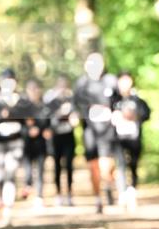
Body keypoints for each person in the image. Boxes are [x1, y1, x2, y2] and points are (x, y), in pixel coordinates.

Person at [74, 52, 123, 213]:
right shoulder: (82, 84)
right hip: (90, 130)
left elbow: (120, 101)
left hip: (107, 129)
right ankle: (98, 198)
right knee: (93, 165)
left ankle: (108, 184)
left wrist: (117, 112)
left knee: (106, 164)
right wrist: (76, 115)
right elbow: (76, 104)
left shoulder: (110, 81)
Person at [0, 68, 26, 225]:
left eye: (11, 80)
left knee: (11, 173)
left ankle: (8, 209)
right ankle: (0, 200)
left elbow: (28, 120)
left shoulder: (22, 100)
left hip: (16, 142)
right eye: (5, 80)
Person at [111, 71, 151, 211]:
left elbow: (147, 114)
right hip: (118, 139)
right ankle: (122, 194)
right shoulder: (114, 99)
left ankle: (132, 192)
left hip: (134, 138)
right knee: (120, 165)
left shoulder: (137, 99)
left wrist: (135, 116)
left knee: (133, 165)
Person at [44, 74, 79, 206]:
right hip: (56, 137)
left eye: (65, 85)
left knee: (69, 165)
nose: (63, 88)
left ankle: (69, 193)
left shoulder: (71, 100)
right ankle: (58, 194)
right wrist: (59, 112)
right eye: (60, 85)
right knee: (57, 166)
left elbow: (76, 115)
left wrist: (74, 118)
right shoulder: (51, 102)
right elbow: (46, 117)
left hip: (68, 136)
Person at [20, 79, 51, 210]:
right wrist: (28, 131)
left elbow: (49, 124)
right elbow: (20, 126)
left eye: (35, 89)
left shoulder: (44, 107)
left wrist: (44, 130)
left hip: (41, 144)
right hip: (26, 144)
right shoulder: (23, 107)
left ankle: (39, 196)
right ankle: (28, 186)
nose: (33, 92)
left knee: (40, 171)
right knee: (27, 171)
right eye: (30, 89)